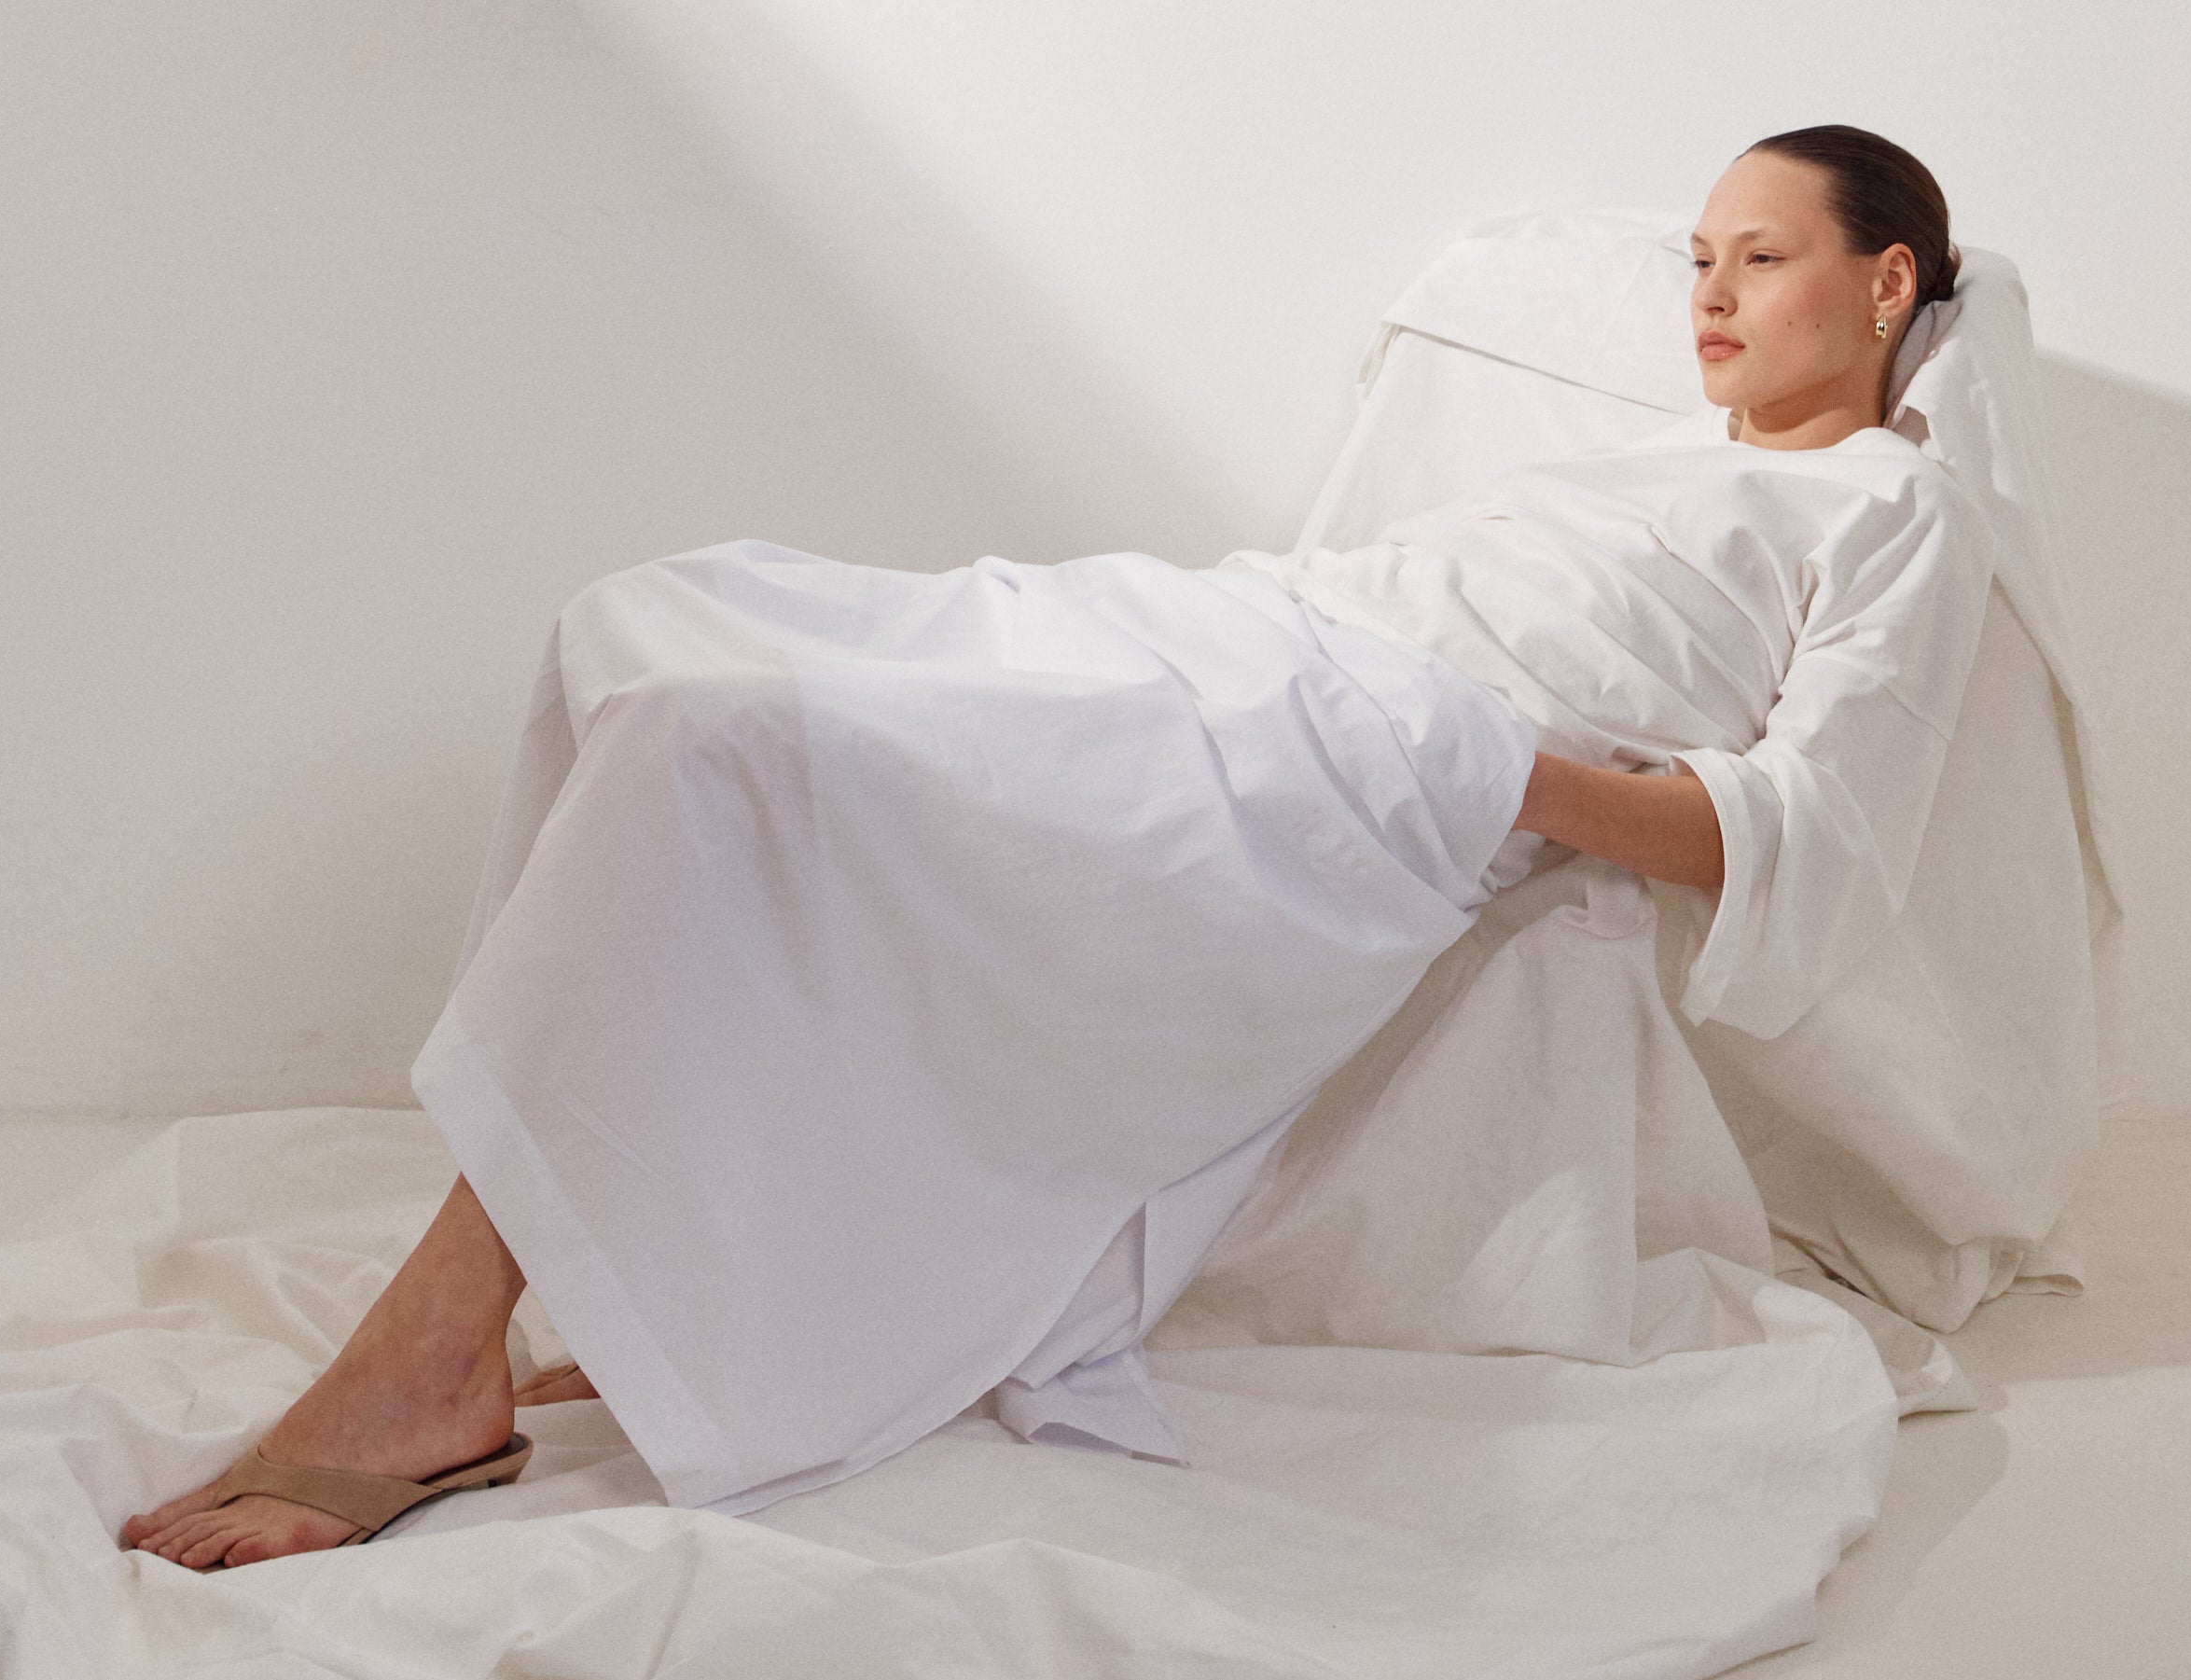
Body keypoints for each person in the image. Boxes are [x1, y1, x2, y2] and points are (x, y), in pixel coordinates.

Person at [123, 124, 1971, 1570]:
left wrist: (1495, 770)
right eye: (1699, 260)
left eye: (1761, 257)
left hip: (1371, 765)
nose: (1710, 295)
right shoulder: (1644, 464)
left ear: (1886, 283)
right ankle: (654, 1245)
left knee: (715, 750)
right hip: (1264, 638)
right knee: (658, 625)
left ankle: (435, 1355)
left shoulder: (1890, 512)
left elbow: (1802, 833)